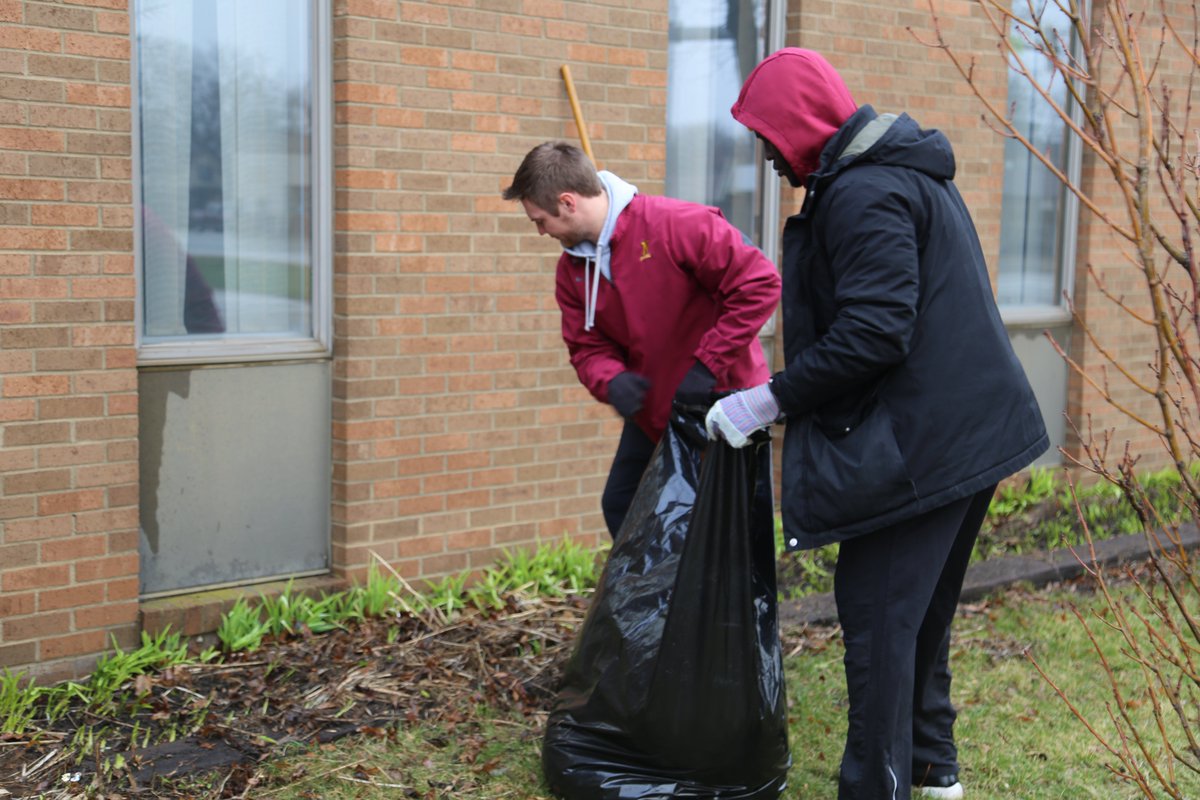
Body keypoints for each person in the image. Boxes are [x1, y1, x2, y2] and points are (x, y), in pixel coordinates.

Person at [705, 49, 1049, 800]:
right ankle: (934, 771)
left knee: (878, 624)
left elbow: (875, 331)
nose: (766, 157)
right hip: (966, 432)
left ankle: (876, 785)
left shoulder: (865, 192)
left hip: (926, 444)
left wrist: (768, 399)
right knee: (917, 618)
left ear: (799, 124)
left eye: (768, 137)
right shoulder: (902, 173)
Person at [503, 141, 781, 537]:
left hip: (724, 405)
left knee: (728, 528)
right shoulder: (573, 272)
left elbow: (760, 284)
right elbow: (587, 347)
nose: (540, 231)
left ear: (567, 202)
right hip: (654, 413)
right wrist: (612, 379)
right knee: (624, 503)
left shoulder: (676, 224)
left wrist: (707, 364)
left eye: (539, 220)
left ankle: (724, 600)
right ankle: (658, 600)